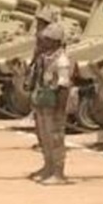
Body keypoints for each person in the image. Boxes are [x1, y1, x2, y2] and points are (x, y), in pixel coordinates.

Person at [27, 23, 72, 184]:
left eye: (47, 39)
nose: (43, 42)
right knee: (45, 138)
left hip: (54, 104)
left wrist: (60, 109)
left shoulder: (61, 60)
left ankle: (58, 172)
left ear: (55, 41)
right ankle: (48, 166)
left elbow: (63, 86)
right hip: (43, 102)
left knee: (55, 139)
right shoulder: (45, 58)